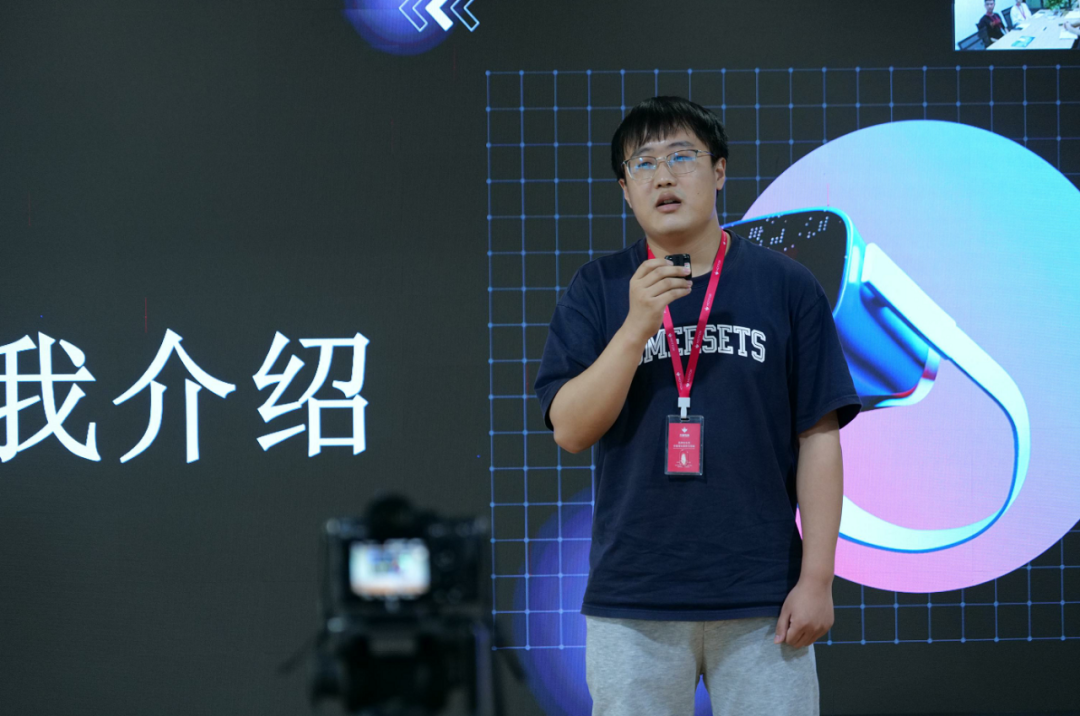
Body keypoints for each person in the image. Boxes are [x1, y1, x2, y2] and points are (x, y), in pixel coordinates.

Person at [534, 96, 861, 716]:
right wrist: (636, 326)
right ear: (625, 190)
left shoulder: (786, 285)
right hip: (634, 597)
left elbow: (819, 436)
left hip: (763, 595)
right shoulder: (598, 289)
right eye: (643, 163)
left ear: (719, 171)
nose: (663, 176)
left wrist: (817, 579)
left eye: (681, 157)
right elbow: (570, 430)